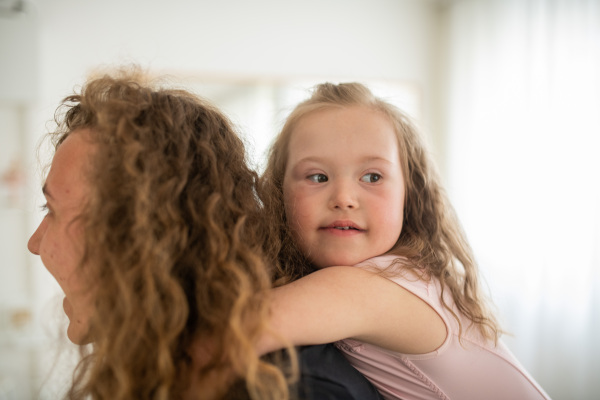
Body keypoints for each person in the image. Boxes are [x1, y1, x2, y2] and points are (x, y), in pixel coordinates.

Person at [27, 70, 384, 400]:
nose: (35, 243)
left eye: (52, 211)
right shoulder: (166, 362)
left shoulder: (297, 389)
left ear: (143, 235)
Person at [257, 82, 551, 399]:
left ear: (408, 194)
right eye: (317, 177)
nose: (344, 198)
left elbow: (218, 336)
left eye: (372, 176)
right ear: (278, 194)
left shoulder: (375, 285)